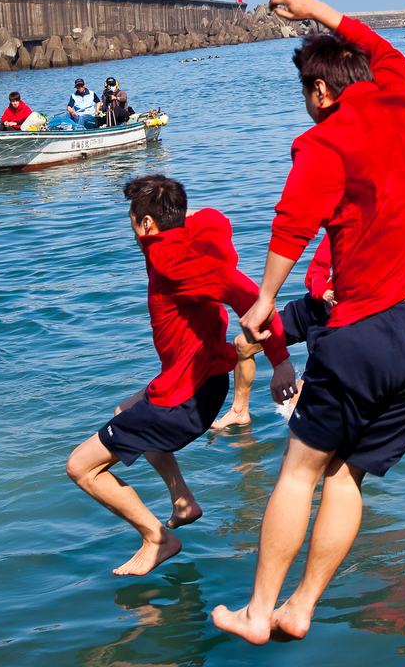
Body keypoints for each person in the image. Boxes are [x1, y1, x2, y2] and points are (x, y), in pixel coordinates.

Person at [211, 0, 405, 645]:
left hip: (367, 334)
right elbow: (382, 47)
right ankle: (301, 605)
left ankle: (258, 611)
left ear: (321, 92)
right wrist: (315, 7)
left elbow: (291, 225)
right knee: (345, 473)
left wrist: (266, 300)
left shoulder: (324, 141)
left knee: (300, 470)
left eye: (307, 93)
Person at [65, 174, 293, 577]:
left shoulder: (169, 259)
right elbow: (213, 218)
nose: (133, 231)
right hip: (205, 382)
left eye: (134, 222)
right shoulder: (200, 237)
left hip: (183, 399)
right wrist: (172, 207)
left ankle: (157, 538)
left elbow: (240, 291)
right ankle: (182, 501)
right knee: (125, 409)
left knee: (80, 467)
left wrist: (280, 359)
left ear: (148, 225)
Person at [210, 236, 334, 431]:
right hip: (316, 306)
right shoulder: (342, 225)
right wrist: (324, 293)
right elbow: (316, 270)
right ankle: (239, 411)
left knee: (294, 412)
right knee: (243, 344)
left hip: (342, 321)